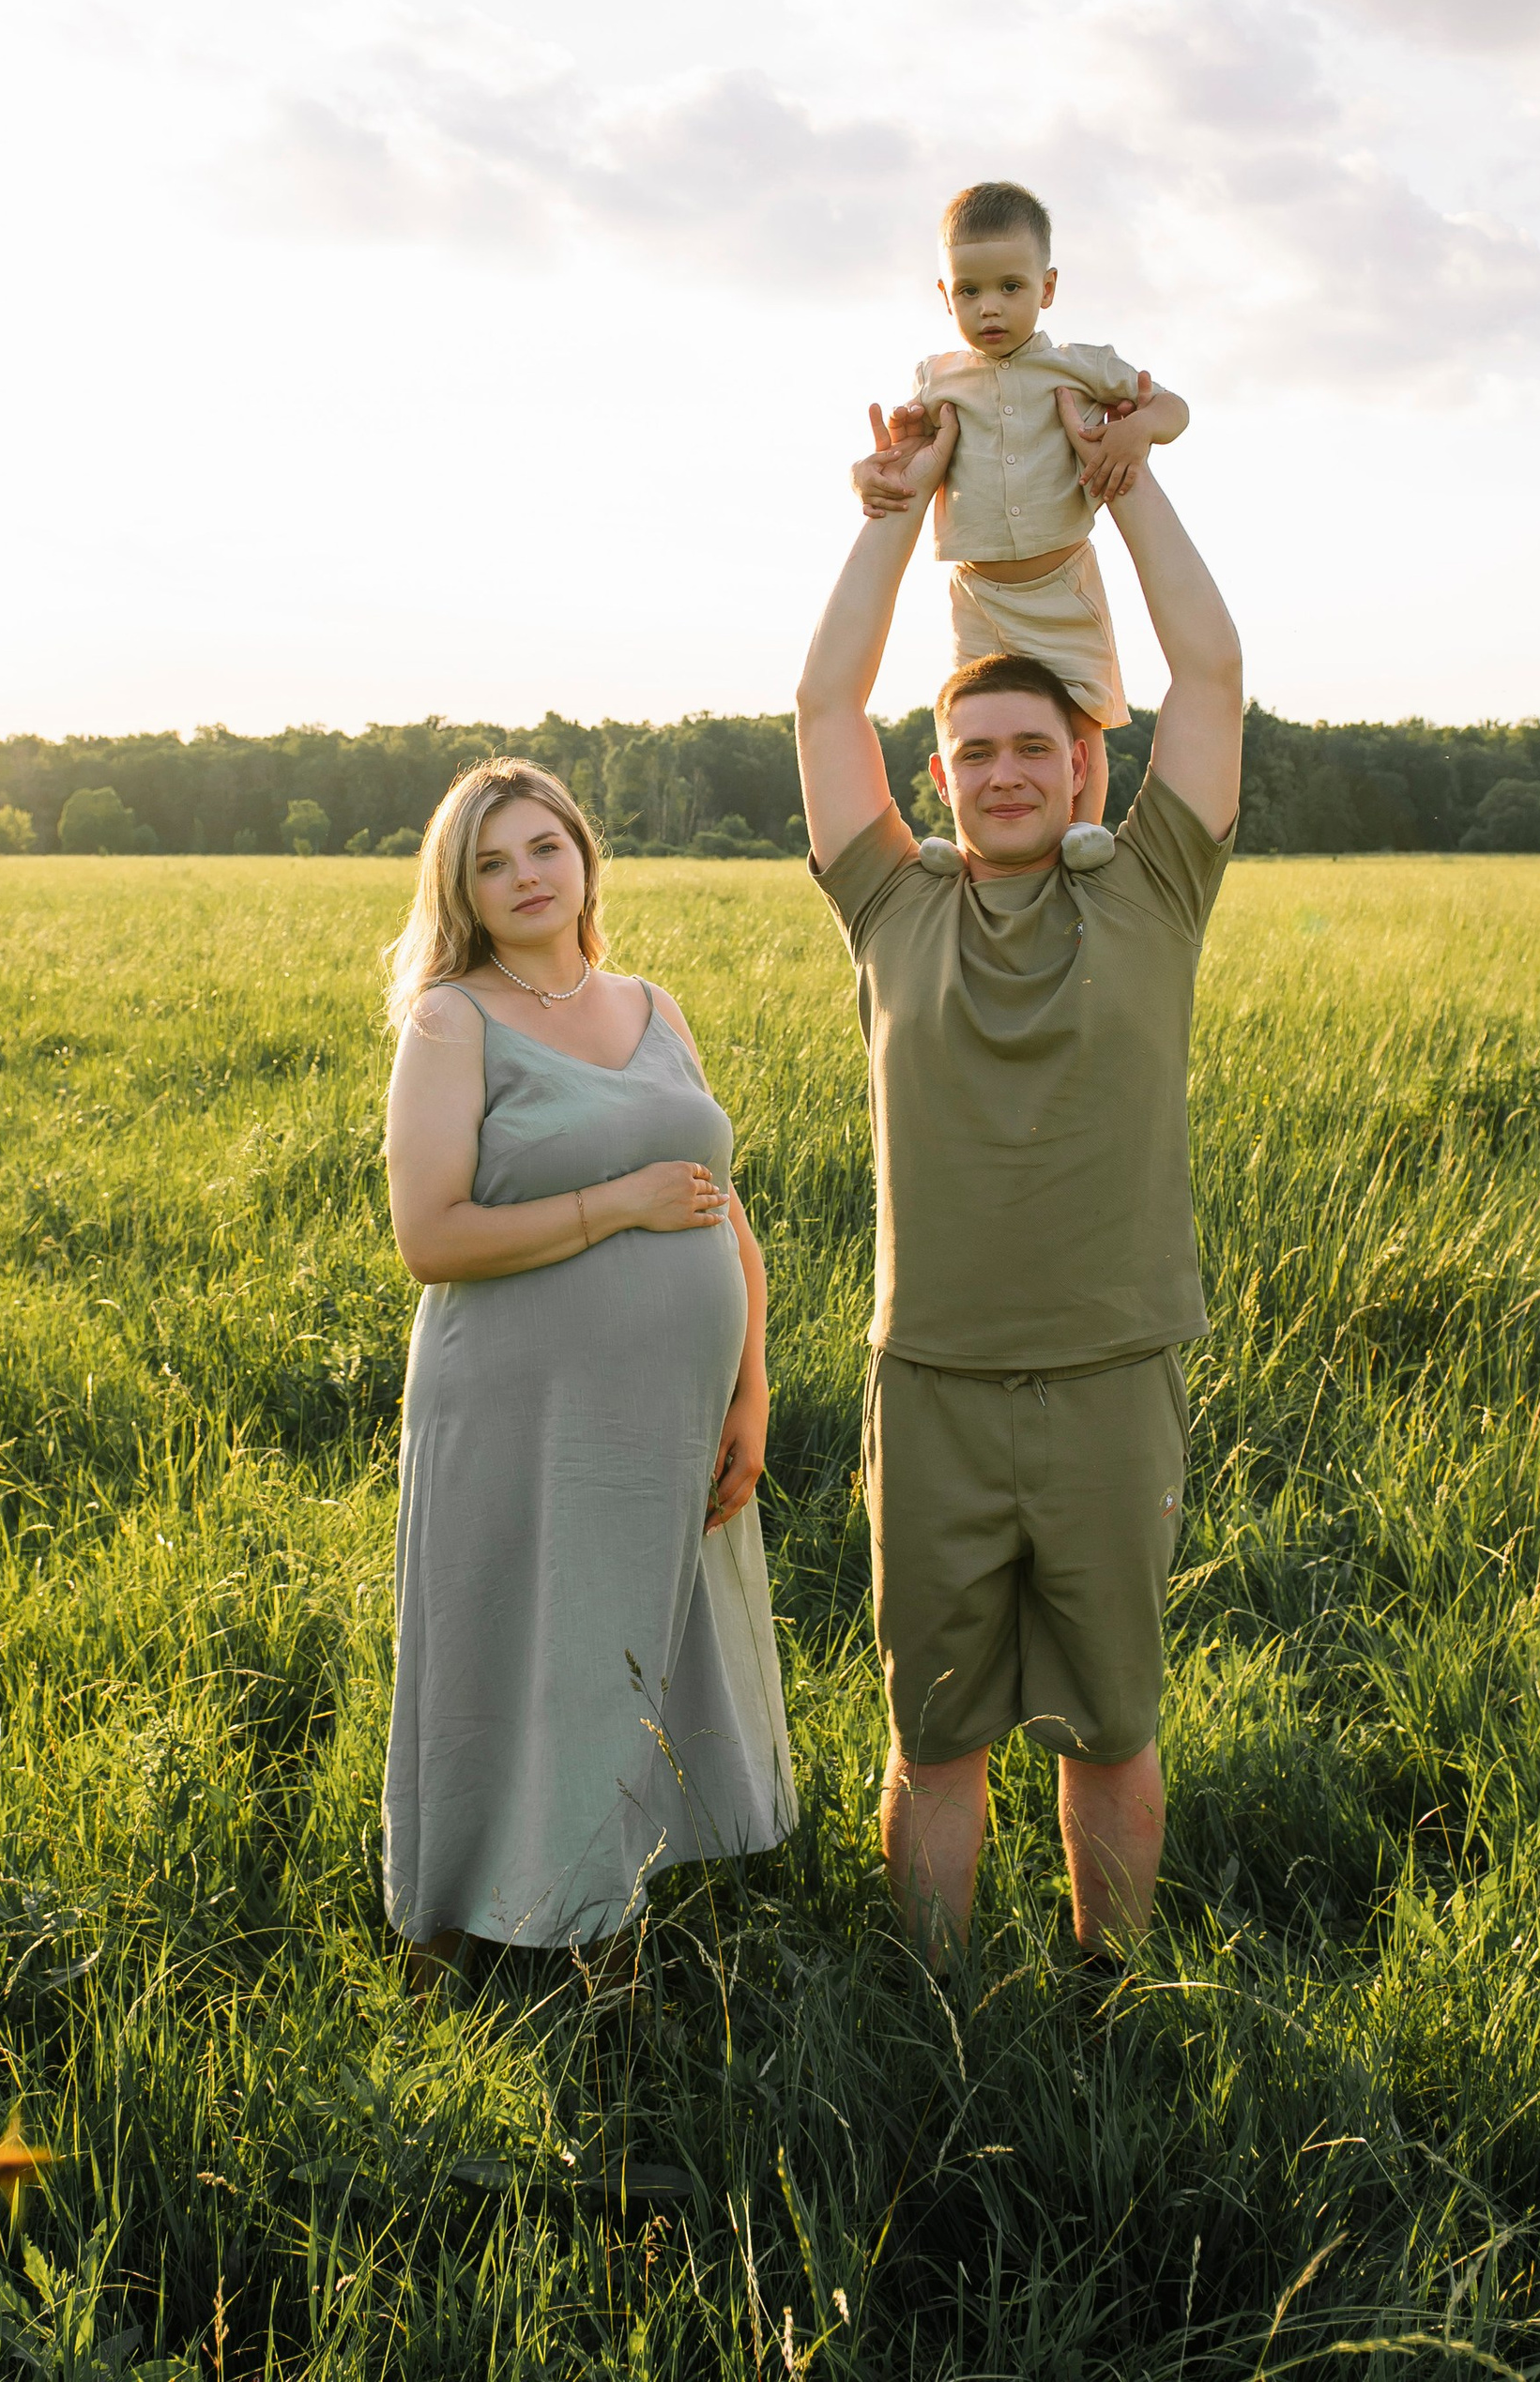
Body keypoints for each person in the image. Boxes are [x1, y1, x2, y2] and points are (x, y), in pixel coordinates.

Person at [795, 393, 1242, 1970]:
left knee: (1110, 1724)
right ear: (938, 771)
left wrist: (1124, 486)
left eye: (1030, 749)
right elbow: (819, 707)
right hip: (934, 1384)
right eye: (973, 752)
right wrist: (899, 508)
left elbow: (1215, 671)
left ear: (1086, 761)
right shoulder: (893, 912)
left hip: (1113, 1372)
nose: (1001, 774)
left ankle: (1108, 2007)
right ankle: (927, 2024)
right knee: (936, 1736)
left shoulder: (1158, 890)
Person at [379, 756, 797, 1966]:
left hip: (666, 1414)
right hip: (519, 1410)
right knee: (527, 1641)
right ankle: (486, 1930)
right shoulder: (452, 1017)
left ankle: (613, 1906)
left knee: (637, 1642)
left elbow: (722, 1209)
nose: (523, 876)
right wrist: (616, 1203)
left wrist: (751, 1384)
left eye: (542, 848)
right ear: (458, 887)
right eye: (491, 861)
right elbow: (429, 1235)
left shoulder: (656, 1006)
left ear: (582, 856)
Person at [884, 177, 1188, 841]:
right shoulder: (938, 378)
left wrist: (1138, 430)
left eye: (1010, 287)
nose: (989, 307)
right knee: (974, 724)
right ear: (945, 294)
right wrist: (874, 472)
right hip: (980, 592)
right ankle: (974, 851)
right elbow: (906, 454)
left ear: (1047, 287)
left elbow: (1174, 408)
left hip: (1064, 587)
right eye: (969, 290)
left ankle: (1083, 840)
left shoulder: (1082, 366)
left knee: (1080, 724)